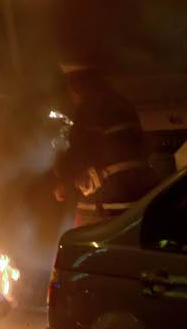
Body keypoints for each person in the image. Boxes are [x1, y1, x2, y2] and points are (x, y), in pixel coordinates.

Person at [54, 68, 159, 227]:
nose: (72, 97)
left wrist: (63, 178)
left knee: (87, 246)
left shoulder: (90, 108)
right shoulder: (123, 104)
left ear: (78, 87)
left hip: (107, 205)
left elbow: (80, 151)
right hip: (139, 199)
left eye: (71, 90)